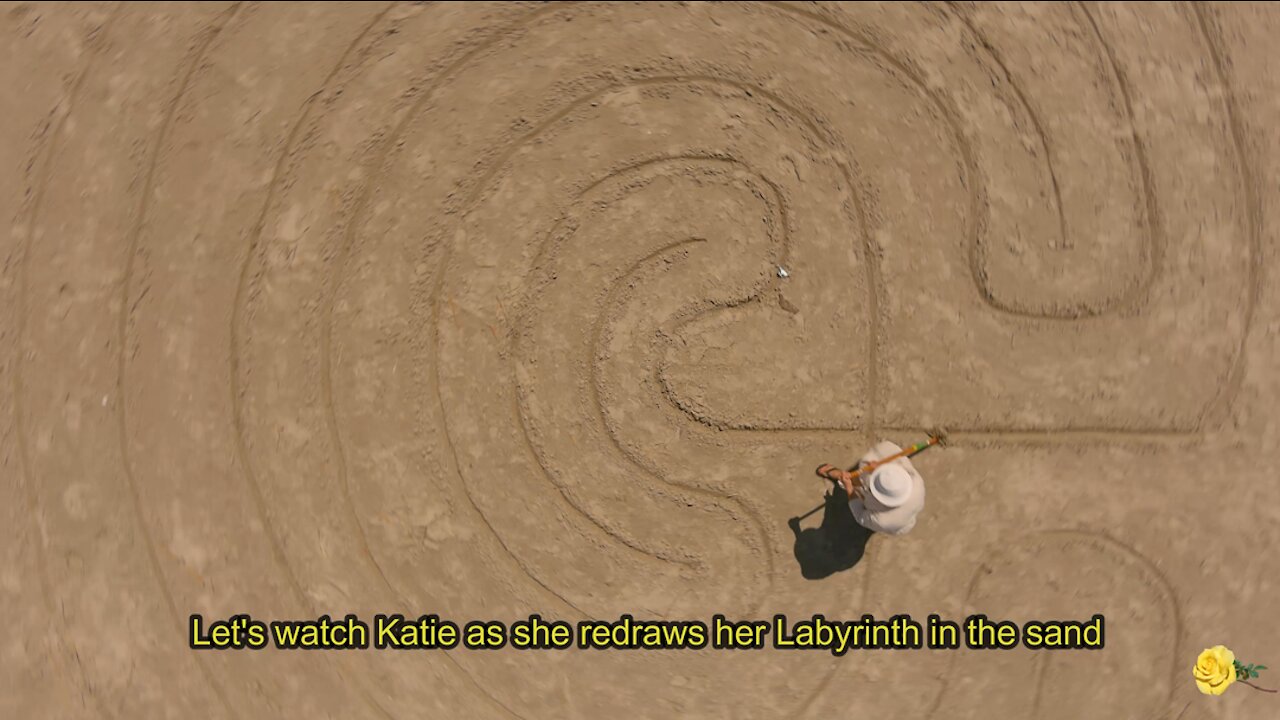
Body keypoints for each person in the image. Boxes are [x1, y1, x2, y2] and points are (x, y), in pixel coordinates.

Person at [816, 440, 925, 536]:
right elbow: (902, 465)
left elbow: (860, 515)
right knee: (868, 467)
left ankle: (843, 477)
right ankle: (845, 478)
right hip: (907, 514)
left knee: (861, 487)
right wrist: (882, 468)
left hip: (894, 523)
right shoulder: (918, 484)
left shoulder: (884, 520)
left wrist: (849, 487)